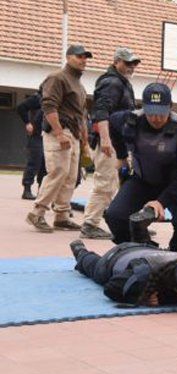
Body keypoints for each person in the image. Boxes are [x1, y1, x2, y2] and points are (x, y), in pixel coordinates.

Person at [103, 83, 177, 253]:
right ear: (143, 108)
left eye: (161, 113)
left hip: (174, 184)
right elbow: (112, 123)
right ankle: (138, 249)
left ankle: (174, 255)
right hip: (142, 180)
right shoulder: (131, 120)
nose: (156, 118)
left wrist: (161, 202)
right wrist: (121, 155)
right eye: (151, 112)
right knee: (114, 216)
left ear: (170, 107)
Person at [25, 45, 91, 234]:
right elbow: (49, 106)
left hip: (75, 134)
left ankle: (62, 216)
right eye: (79, 56)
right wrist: (59, 132)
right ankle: (37, 213)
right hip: (58, 132)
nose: (83, 60)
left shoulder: (79, 85)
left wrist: (84, 141)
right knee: (58, 172)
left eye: (86, 57)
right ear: (68, 57)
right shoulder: (57, 78)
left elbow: (82, 115)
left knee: (71, 176)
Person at [79, 47, 141, 240]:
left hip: (120, 143)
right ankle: (89, 224)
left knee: (121, 184)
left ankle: (127, 224)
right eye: (127, 63)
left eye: (133, 63)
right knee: (105, 183)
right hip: (109, 143)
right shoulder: (112, 83)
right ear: (116, 62)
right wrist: (106, 140)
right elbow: (101, 112)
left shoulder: (123, 83)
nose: (131, 67)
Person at [69, 239, 177, 308]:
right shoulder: (143, 275)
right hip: (115, 257)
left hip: (144, 248)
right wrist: (143, 298)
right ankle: (80, 251)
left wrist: (165, 299)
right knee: (93, 267)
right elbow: (111, 289)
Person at [15, 91, 46, 200]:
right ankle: (26, 190)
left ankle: (41, 191)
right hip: (36, 136)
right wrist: (27, 123)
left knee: (45, 164)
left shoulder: (55, 99)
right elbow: (21, 107)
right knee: (34, 162)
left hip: (47, 136)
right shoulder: (39, 97)